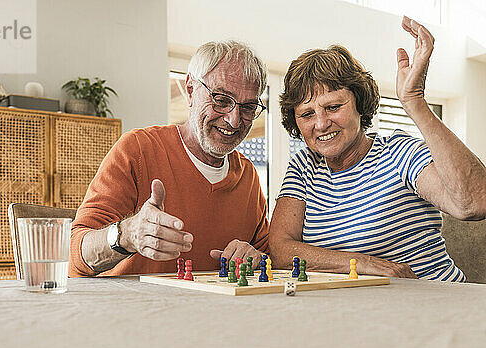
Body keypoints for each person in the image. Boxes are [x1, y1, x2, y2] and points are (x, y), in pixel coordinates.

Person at [270, 16, 486, 281]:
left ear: (359, 104)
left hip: (436, 303)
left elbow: (475, 204)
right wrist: (363, 264)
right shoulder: (304, 165)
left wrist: (414, 101)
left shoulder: (398, 153)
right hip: (367, 311)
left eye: (333, 107)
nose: (321, 124)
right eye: (306, 114)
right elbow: (281, 250)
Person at [70, 40, 269, 277]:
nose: (234, 120)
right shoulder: (137, 150)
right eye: (221, 100)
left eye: (247, 108)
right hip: (133, 311)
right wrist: (128, 234)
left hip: (214, 313)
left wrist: (256, 257)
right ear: (191, 90)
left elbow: (268, 257)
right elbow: (76, 256)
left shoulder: (248, 176)